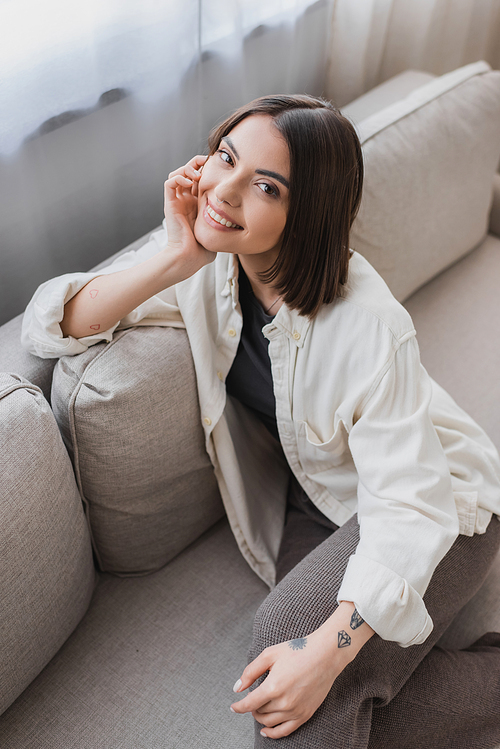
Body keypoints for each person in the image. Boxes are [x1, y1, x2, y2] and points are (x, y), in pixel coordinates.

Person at [21, 94, 500, 748]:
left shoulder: (369, 325)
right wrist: (172, 257)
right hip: (320, 503)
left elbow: (410, 505)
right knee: (290, 692)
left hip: (442, 501)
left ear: (305, 212)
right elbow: (57, 324)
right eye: (225, 157)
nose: (225, 191)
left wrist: (331, 650)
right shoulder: (212, 269)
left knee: (297, 659)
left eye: (266, 186)